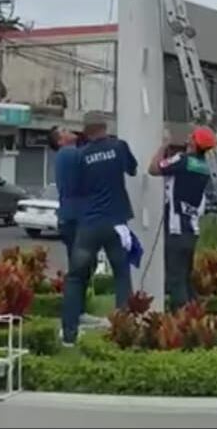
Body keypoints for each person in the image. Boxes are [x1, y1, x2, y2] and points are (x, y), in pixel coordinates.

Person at [61, 111, 137, 345]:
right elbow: (132, 169)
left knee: (75, 278)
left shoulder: (80, 156)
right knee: (122, 275)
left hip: (90, 224)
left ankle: (69, 334)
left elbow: (75, 189)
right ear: (105, 127)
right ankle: (123, 331)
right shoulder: (119, 146)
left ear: (85, 131)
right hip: (117, 223)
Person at [148, 126, 214, 311]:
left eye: (191, 136)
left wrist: (163, 146)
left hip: (175, 229)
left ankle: (182, 320)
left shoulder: (183, 160)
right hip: (191, 230)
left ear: (194, 142)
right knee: (185, 277)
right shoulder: (204, 167)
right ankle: (195, 315)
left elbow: (153, 169)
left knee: (176, 280)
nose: (187, 137)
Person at [48, 126, 80, 265]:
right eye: (64, 131)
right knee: (81, 266)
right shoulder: (69, 153)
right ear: (60, 142)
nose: (69, 130)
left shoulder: (66, 155)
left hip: (69, 218)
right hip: (75, 219)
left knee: (77, 264)